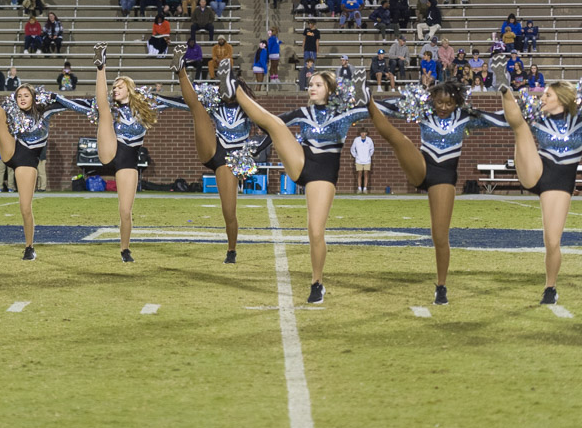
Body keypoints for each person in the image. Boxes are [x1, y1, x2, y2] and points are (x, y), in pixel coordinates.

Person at [223, 61, 369, 303]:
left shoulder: (343, 114)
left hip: (322, 177)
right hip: (300, 163)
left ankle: (317, 283)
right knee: (276, 124)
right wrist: (253, 151)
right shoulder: (303, 113)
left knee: (315, 231)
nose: (311, 87)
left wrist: (363, 95)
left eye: (318, 84)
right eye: (310, 84)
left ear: (330, 90)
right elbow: (271, 126)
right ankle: (235, 88)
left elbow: (367, 110)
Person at [367, 79, 509, 303]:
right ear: (432, 99)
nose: (443, 107)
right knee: (400, 141)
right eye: (440, 102)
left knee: (440, 236)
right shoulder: (423, 112)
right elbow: (387, 108)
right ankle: (364, 97)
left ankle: (441, 286)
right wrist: (368, 100)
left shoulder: (465, 117)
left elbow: (501, 119)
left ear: (457, 102)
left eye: (449, 103)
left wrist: (511, 99)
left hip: (444, 177)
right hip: (422, 168)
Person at [499, 75, 582, 304]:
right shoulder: (538, 120)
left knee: (552, 241)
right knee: (520, 127)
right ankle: (505, 90)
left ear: (562, 99)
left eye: (547, 94)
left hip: (559, 184)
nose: (542, 98)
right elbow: (502, 119)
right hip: (536, 171)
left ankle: (550, 288)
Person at [59, 44, 165, 262]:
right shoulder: (111, 107)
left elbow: (173, 104)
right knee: (104, 109)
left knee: (125, 211)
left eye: (119, 87)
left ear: (130, 89)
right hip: (109, 149)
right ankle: (101, 65)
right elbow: (94, 104)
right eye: (114, 87)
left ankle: (125, 250)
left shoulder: (144, 109)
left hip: (127, 161)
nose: (115, 90)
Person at [0, 58, 73, 259]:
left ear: (34, 98)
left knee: (25, 207)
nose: (22, 98)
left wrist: (95, 109)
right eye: (19, 96)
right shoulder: (11, 112)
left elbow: (69, 105)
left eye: (26, 95)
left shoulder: (44, 112)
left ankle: (29, 247)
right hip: (11, 151)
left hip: (27, 162)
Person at [160, 48, 255, 262]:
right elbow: (185, 100)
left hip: (231, 161)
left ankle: (231, 250)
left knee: (229, 212)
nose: (224, 90)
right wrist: (160, 99)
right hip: (213, 148)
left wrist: (255, 149)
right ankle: (180, 70)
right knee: (198, 108)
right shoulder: (216, 103)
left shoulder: (248, 107)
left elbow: (270, 129)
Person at [350, 128, 374, 193]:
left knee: (366, 174)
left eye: (364, 133)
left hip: (367, 160)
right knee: (359, 174)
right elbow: (352, 149)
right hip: (359, 160)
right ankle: (359, 188)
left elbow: (372, 149)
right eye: (362, 133)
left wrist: (369, 156)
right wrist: (356, 156)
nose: (363, 134)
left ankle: (365, 189)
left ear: (366, 133)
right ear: (360, 133)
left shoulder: (369, 140)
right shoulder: (356, 140)